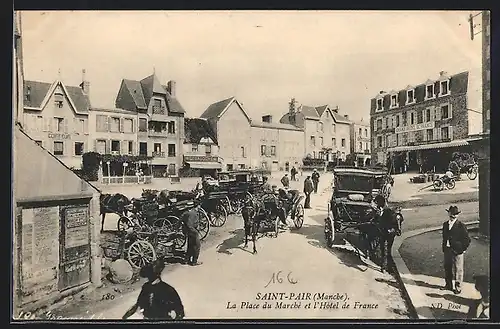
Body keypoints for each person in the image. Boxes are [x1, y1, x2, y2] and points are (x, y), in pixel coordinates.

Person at [442, 205, 471, 294]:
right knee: (447, 267)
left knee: (458, 269)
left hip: (457, 251)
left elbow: (467, 239)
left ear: (457, 215)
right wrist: (444, 247)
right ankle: (448, 285)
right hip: (447, 250)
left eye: (455, 214)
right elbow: (444, 237)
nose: (453, 216)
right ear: (448, 213)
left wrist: (462, 249)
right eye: (451, 214)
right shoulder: (445, 224)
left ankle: (458, 287)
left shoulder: (461, 226)